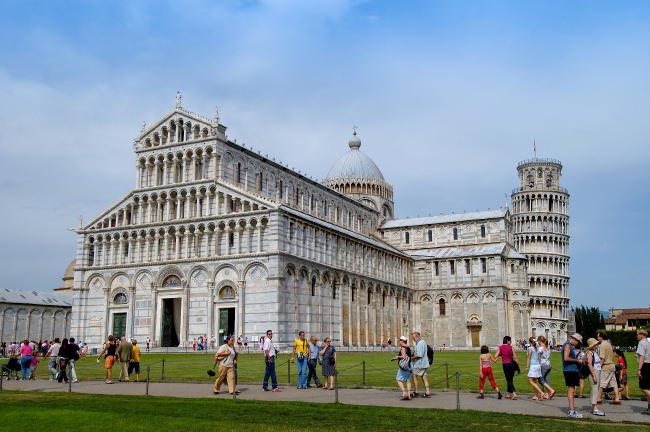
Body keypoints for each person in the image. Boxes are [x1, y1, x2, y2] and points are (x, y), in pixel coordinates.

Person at [562, 333, 585, 418]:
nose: (578, 344)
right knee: (571, 389)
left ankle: (572, 409)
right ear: (575, 339)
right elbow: (566, 358)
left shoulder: (569, 345)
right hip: (569, 369)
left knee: (572, 389)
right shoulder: (567, 345)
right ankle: (571, 410)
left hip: (571, 369)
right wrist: (577, 360)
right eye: (578, 342)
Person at [596, 331, 621, 405]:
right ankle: (617, 398)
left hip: (606, 366)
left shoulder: (603, 345)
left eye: (598, 336)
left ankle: (599, 398)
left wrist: (599, 366)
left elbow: (602, 358)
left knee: (602, 383)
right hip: (612, 365)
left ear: (601, 337)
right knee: (614, 383)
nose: (597, 338)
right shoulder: (609, 344)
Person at [584, 338, 605, 416]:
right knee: (594, 389)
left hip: (597, 371)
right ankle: (594, 408)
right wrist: (594, 375)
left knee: (596, 389)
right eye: (596, 344)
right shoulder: (589, 352)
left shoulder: (594, 352)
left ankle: (595, 406)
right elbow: (589, 363)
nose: (597, 345)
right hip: (594, 371)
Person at [494, 335, 519, 400]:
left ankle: (514, 393)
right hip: (512, 364)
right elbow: (515, 357)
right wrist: (517, 365)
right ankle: (509, 393)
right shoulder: (511, 348)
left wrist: (501, 354)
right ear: (507, 341)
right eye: (510, 340)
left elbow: (495, 355)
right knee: (510, 379)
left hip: (505, 364)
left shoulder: (500, 347)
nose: (510, 342)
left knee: (509, 380)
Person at [410, 332, 431, 398]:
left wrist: (411, 358)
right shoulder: (423, 342)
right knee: (424, 377)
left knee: (414, 375)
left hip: (420, 364)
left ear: (416, 337)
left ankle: (416, 391)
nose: (413, 339)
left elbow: (419, 355)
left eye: (413, 338)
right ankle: (427, 392)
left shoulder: (419, 344)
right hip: (425, 363)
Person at [635, 329, 650, 415]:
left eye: (637, 334)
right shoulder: (648, 343)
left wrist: (639, 369)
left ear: (641, 335)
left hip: (645, 366)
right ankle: (649, 407)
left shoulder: (641, 343)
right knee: (648, 387)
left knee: (644, 387)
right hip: (649, 364)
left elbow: (642, 357)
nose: (637, 336)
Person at [393, 336, 412, 400]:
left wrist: (397, 357)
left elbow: (403, 356)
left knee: (398, 379)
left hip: (404, 366)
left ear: (403, 341)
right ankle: (409, 395)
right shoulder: (408, 347)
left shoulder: (403, 348)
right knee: (408, 380)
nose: (399, 341)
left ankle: (404, 392)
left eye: (400, 340)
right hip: (409, 365)